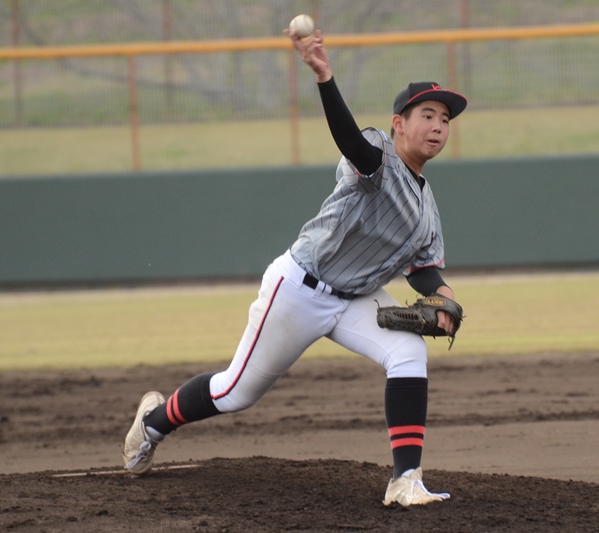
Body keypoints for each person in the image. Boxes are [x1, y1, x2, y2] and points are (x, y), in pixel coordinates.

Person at [122, 26, 467, 507]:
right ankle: (153, 423)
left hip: (356, 299)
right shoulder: (377, 154)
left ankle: (405, 480)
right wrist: (325, 77)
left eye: (445, 119)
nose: (437, 125)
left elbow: (422, 269)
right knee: (235, 392)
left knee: (408, 351)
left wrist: (445, 296)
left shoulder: (427, 205)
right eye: (426, 115)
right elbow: (351, 141)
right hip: (300, 288)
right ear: (398, 124)